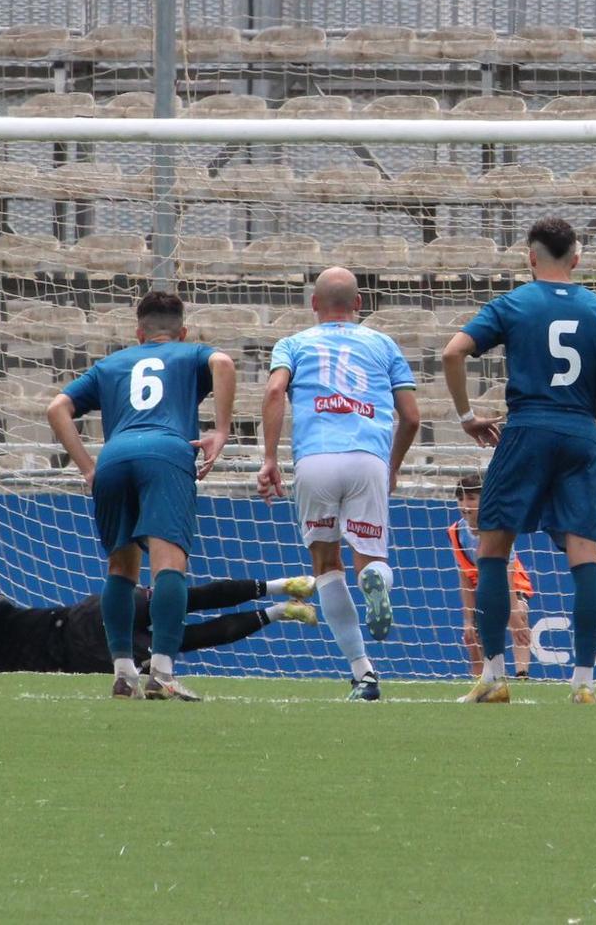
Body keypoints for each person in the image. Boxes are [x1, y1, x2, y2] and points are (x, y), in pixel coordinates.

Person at [441, 217, 596, 704]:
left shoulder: (513, 304)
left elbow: (453, 353)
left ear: (530, 256)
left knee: (494, 551)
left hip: (525, 430)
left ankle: (495, 679)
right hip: (581, 435)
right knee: (585, 558)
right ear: (578, 258)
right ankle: (584, 683)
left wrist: (466, 416)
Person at [46, 290, 234, 701]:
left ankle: (123, 672)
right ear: (182, 331)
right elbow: (223, 362)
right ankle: (162, 671)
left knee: (120, 566)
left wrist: (88, 468)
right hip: (166, 451)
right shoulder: (191, 353)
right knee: (168, 565)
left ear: (139, 331)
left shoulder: (110, 364)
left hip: (114, 456)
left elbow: (56, 408)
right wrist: (221, 430)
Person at [258, 266, 420, 701]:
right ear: (359, 305)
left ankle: (362, 673)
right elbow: (412, 417)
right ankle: (378, 585)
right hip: (367, 457)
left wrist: (270, 458)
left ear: (314, 305)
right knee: (371, 559)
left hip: (315, 461)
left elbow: (275, 393)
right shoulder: (383, 344)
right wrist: (392, 465)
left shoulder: (293, 343)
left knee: (327, 567)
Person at [0, 575, 318, 673]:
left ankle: (274, 586)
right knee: (186, 640)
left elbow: (1, 608)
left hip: (81, 618)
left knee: (178, 599)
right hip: (85, 659)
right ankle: (277, 613)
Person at [448, 476, 532, 679]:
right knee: (473, 634)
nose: (465, 505)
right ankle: (483, 677)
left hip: (510, 579)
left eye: (471, 498)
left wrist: (512, 610)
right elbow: (465, 577)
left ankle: (522, 674)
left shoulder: (498, 526)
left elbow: (508, 572)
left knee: (518, 614)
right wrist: (468, 620)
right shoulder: (456, 532)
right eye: (460, 499)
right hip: (480, 582)